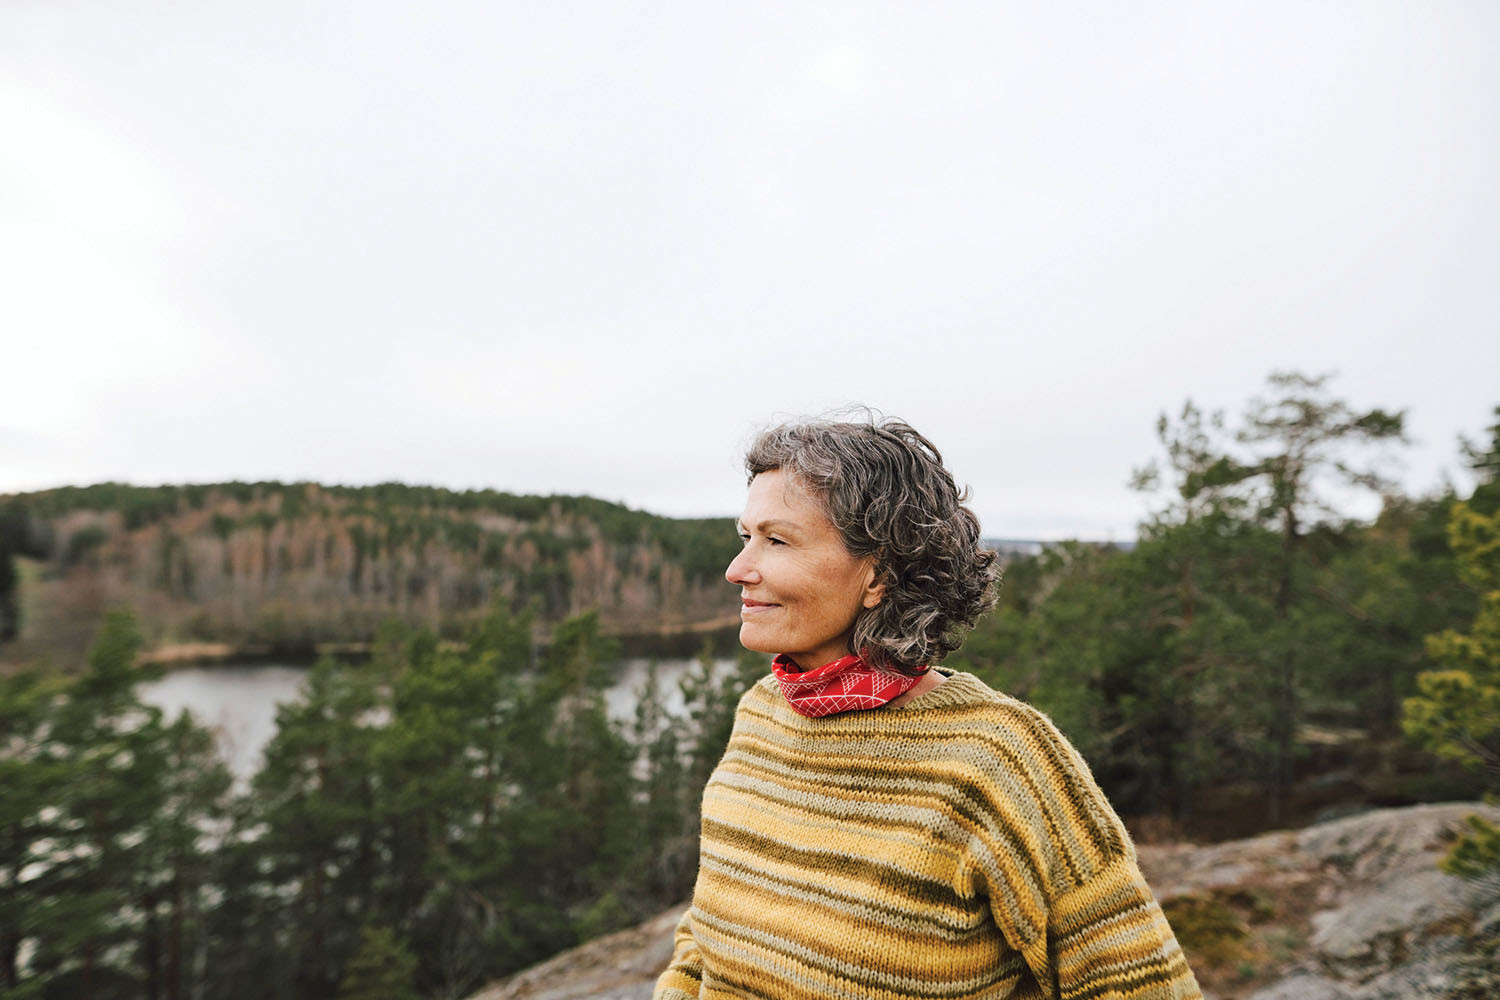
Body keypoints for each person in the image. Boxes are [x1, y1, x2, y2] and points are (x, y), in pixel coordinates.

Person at [653, 415, 1201, 1000]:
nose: (738, 570)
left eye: (778, 540)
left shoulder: (998, 757)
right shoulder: (763, 713)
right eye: (745, 537)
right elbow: (706, 934)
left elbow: (1140, 985)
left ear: (878, 575)